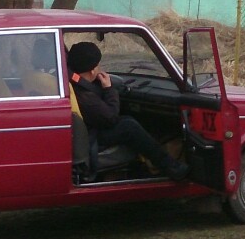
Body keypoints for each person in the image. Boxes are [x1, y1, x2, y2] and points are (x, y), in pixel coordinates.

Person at [66, 41, 188, 181]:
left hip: (88, 128)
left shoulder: (73, 80)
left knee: (127, 121)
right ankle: (172, 167)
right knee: (128, 126)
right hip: (91, 135)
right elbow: (110, 117)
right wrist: (108, 88)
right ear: (93, 70)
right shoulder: (84, 96)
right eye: (98, 65)